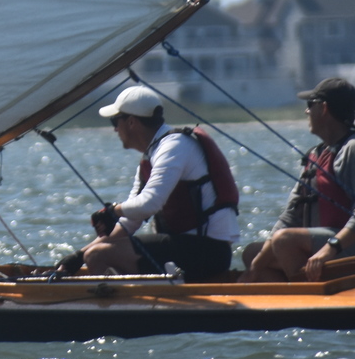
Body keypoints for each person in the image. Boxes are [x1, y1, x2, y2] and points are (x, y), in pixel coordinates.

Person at [54, 85, 240, 283]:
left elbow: (150, 203)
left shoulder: (175, 146)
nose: (115, 129)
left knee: (99, 256)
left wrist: (113, 211)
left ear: (132, 122)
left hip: (208, 252)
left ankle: (120, 309)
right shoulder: (151, 156)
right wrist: (77, 257)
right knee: (94, 253)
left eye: (115, 121)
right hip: (186, 248)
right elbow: (129, 223)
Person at [240, 77, 355, 283]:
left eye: (310, 105)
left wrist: (330, 248)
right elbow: (290, 216)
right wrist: (254, 269)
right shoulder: (316, 155)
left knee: (284, 241)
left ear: (323, 108)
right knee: (253, 253)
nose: (306, 111)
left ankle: (309, 299)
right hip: (329, 245)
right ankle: (295, 294)